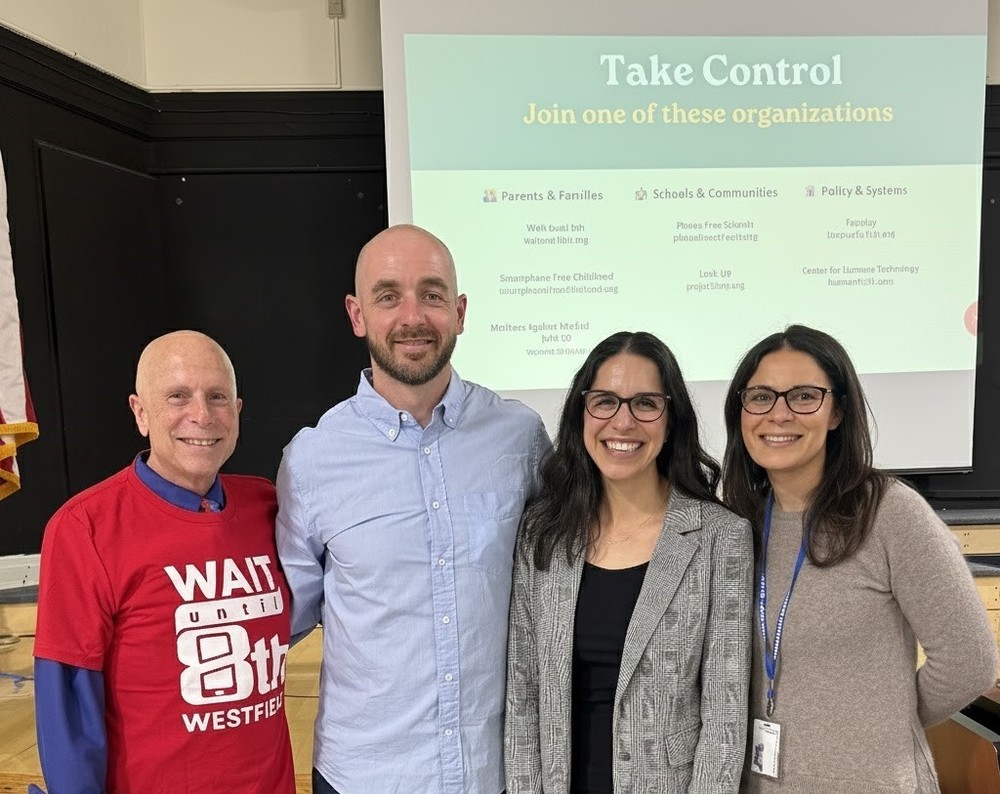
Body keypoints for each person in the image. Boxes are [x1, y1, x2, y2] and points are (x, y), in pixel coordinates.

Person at [276, 224, 551, 794]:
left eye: (431, 294)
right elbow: (283, 618)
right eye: (387, 296)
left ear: (460, 310)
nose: (413, 316)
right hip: (365, 777)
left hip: (494, 775)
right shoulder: (312, 460)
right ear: (357, 315)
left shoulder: (519, 437)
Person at [722, 324, 998, 792]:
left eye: (804, 396)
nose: (779, 414)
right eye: (761, 396)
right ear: (742, 410)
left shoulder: (890, 513)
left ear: (837, 412)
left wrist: (884, 725)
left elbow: (969, 661)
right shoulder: (737, 523)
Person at [33, 330, 295, 794]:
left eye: (218, 397)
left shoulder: (269, 507)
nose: (201, 414)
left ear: (236, 412)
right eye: (178, 396)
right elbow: (70, 702)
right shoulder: (84, 528)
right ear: (141, 412)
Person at [506, 331, 753, 794]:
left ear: (671, 417)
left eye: (645, 403)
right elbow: (523, 698)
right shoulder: (543, 534)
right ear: (583, 411)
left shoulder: (721, 538)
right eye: (605, 401)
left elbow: (724, 717)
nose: (623, 422)